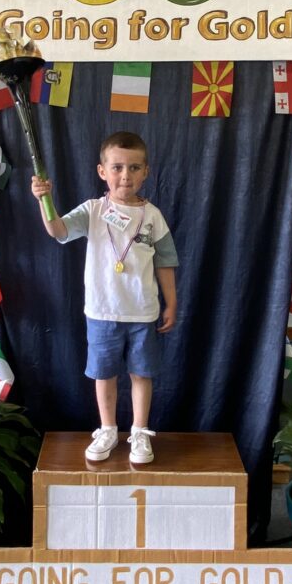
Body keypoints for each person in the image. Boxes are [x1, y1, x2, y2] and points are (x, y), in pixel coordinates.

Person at [31, 131, 178, 464]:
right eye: (117, 167)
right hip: (101, 312)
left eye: (134, 167)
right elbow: (58, 231)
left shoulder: (153, 216)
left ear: (146, 171)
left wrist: (171, 303)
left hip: (142, 313)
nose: (125, 175)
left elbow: (166, 262)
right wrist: (44, 199)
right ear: (102, 171)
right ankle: (108, 429)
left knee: (142, 374)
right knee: (104, 373)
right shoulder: (94, 210)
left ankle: (139, 432)